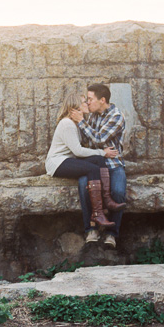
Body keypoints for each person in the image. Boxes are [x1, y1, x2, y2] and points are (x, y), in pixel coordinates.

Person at [45, 93, 123, 232]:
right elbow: (78, 151)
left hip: (67, 160)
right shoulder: (67, 124)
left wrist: (100, 155)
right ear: (75, 107)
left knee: (98, 161)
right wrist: (102, 152)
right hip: (57, 163)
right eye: (83, 102)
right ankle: (98, 213)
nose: (87, 103)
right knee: (93, 169)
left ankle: (107, 200)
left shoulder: (76, 123)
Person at [69, 83, 127, 248]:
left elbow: (100, 139)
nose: (87, 103)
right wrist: (85, 120)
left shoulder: (116, 116)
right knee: (83, 185)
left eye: (90, 99)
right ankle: (91, 230)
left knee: (118, 191)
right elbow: (87, 142)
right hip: (93, 162)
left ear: (102, 100)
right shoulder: (92, 116)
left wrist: (81, 122)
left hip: (113, 163)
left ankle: (111, 234)